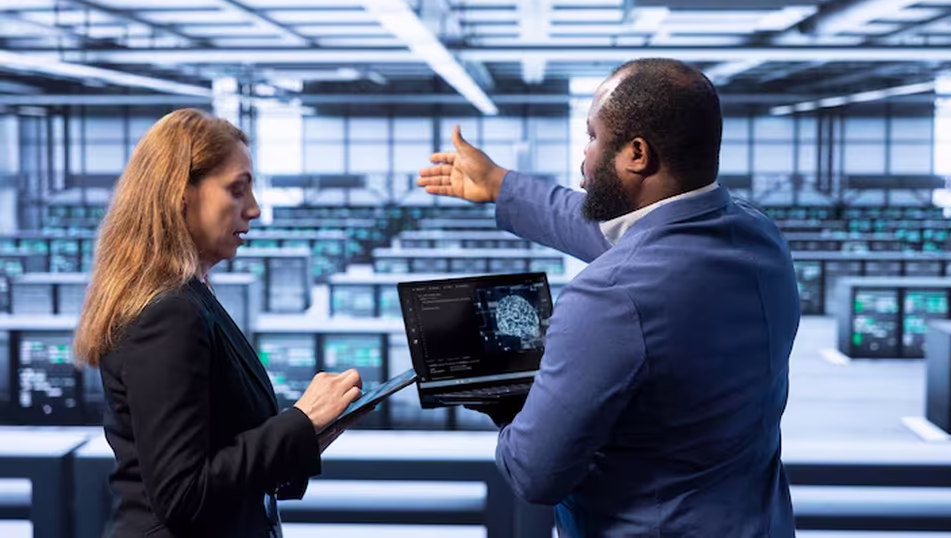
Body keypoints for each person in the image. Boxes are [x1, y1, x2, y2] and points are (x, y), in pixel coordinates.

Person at [417, 58, 800, 537]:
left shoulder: (609, 298)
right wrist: (500, 185)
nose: (584, 156)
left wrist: (510, 404)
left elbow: (534, 474)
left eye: (593, 136)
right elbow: (621, 236)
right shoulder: (758, 235)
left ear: (637, 154)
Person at [74, 109, 363, 538]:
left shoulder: (189, 295)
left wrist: (307, 435)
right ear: (181, 194)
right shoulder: (168, 312)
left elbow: (216, 449)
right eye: (236, 190)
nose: (255, 209)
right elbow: (182, 494)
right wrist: (299, 420)